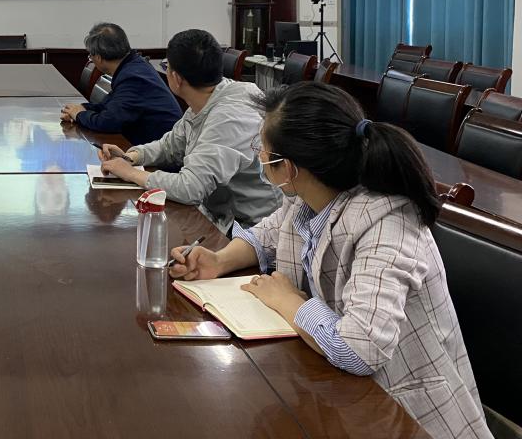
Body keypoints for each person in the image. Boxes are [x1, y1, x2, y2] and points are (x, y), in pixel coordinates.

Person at [169, 82, 490, 439]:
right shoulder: (309, 195)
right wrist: (218, 260)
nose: (258, 157)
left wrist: (289, 302)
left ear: (288, 168)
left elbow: (360, 349)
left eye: (262, 150)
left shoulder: (387, 222)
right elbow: (266, 236)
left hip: (406, 411)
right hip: (339, 392)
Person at [98, 29, 282, 234]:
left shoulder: (229, 117)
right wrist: (131, 157)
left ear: (176, 78)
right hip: (219, 217)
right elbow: (170, 145)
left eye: (166, 66)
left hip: (251, 231)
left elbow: (190, 188)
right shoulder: (207, 99)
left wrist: (131, 174)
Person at [60, 22, 181, 145]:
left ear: (99, 57)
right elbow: (108, 107)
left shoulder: (132, 78)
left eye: (91, 56)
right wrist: (81, 110)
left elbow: (107, 122)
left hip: (165, 150)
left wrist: (79, 114)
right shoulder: (133, 65)